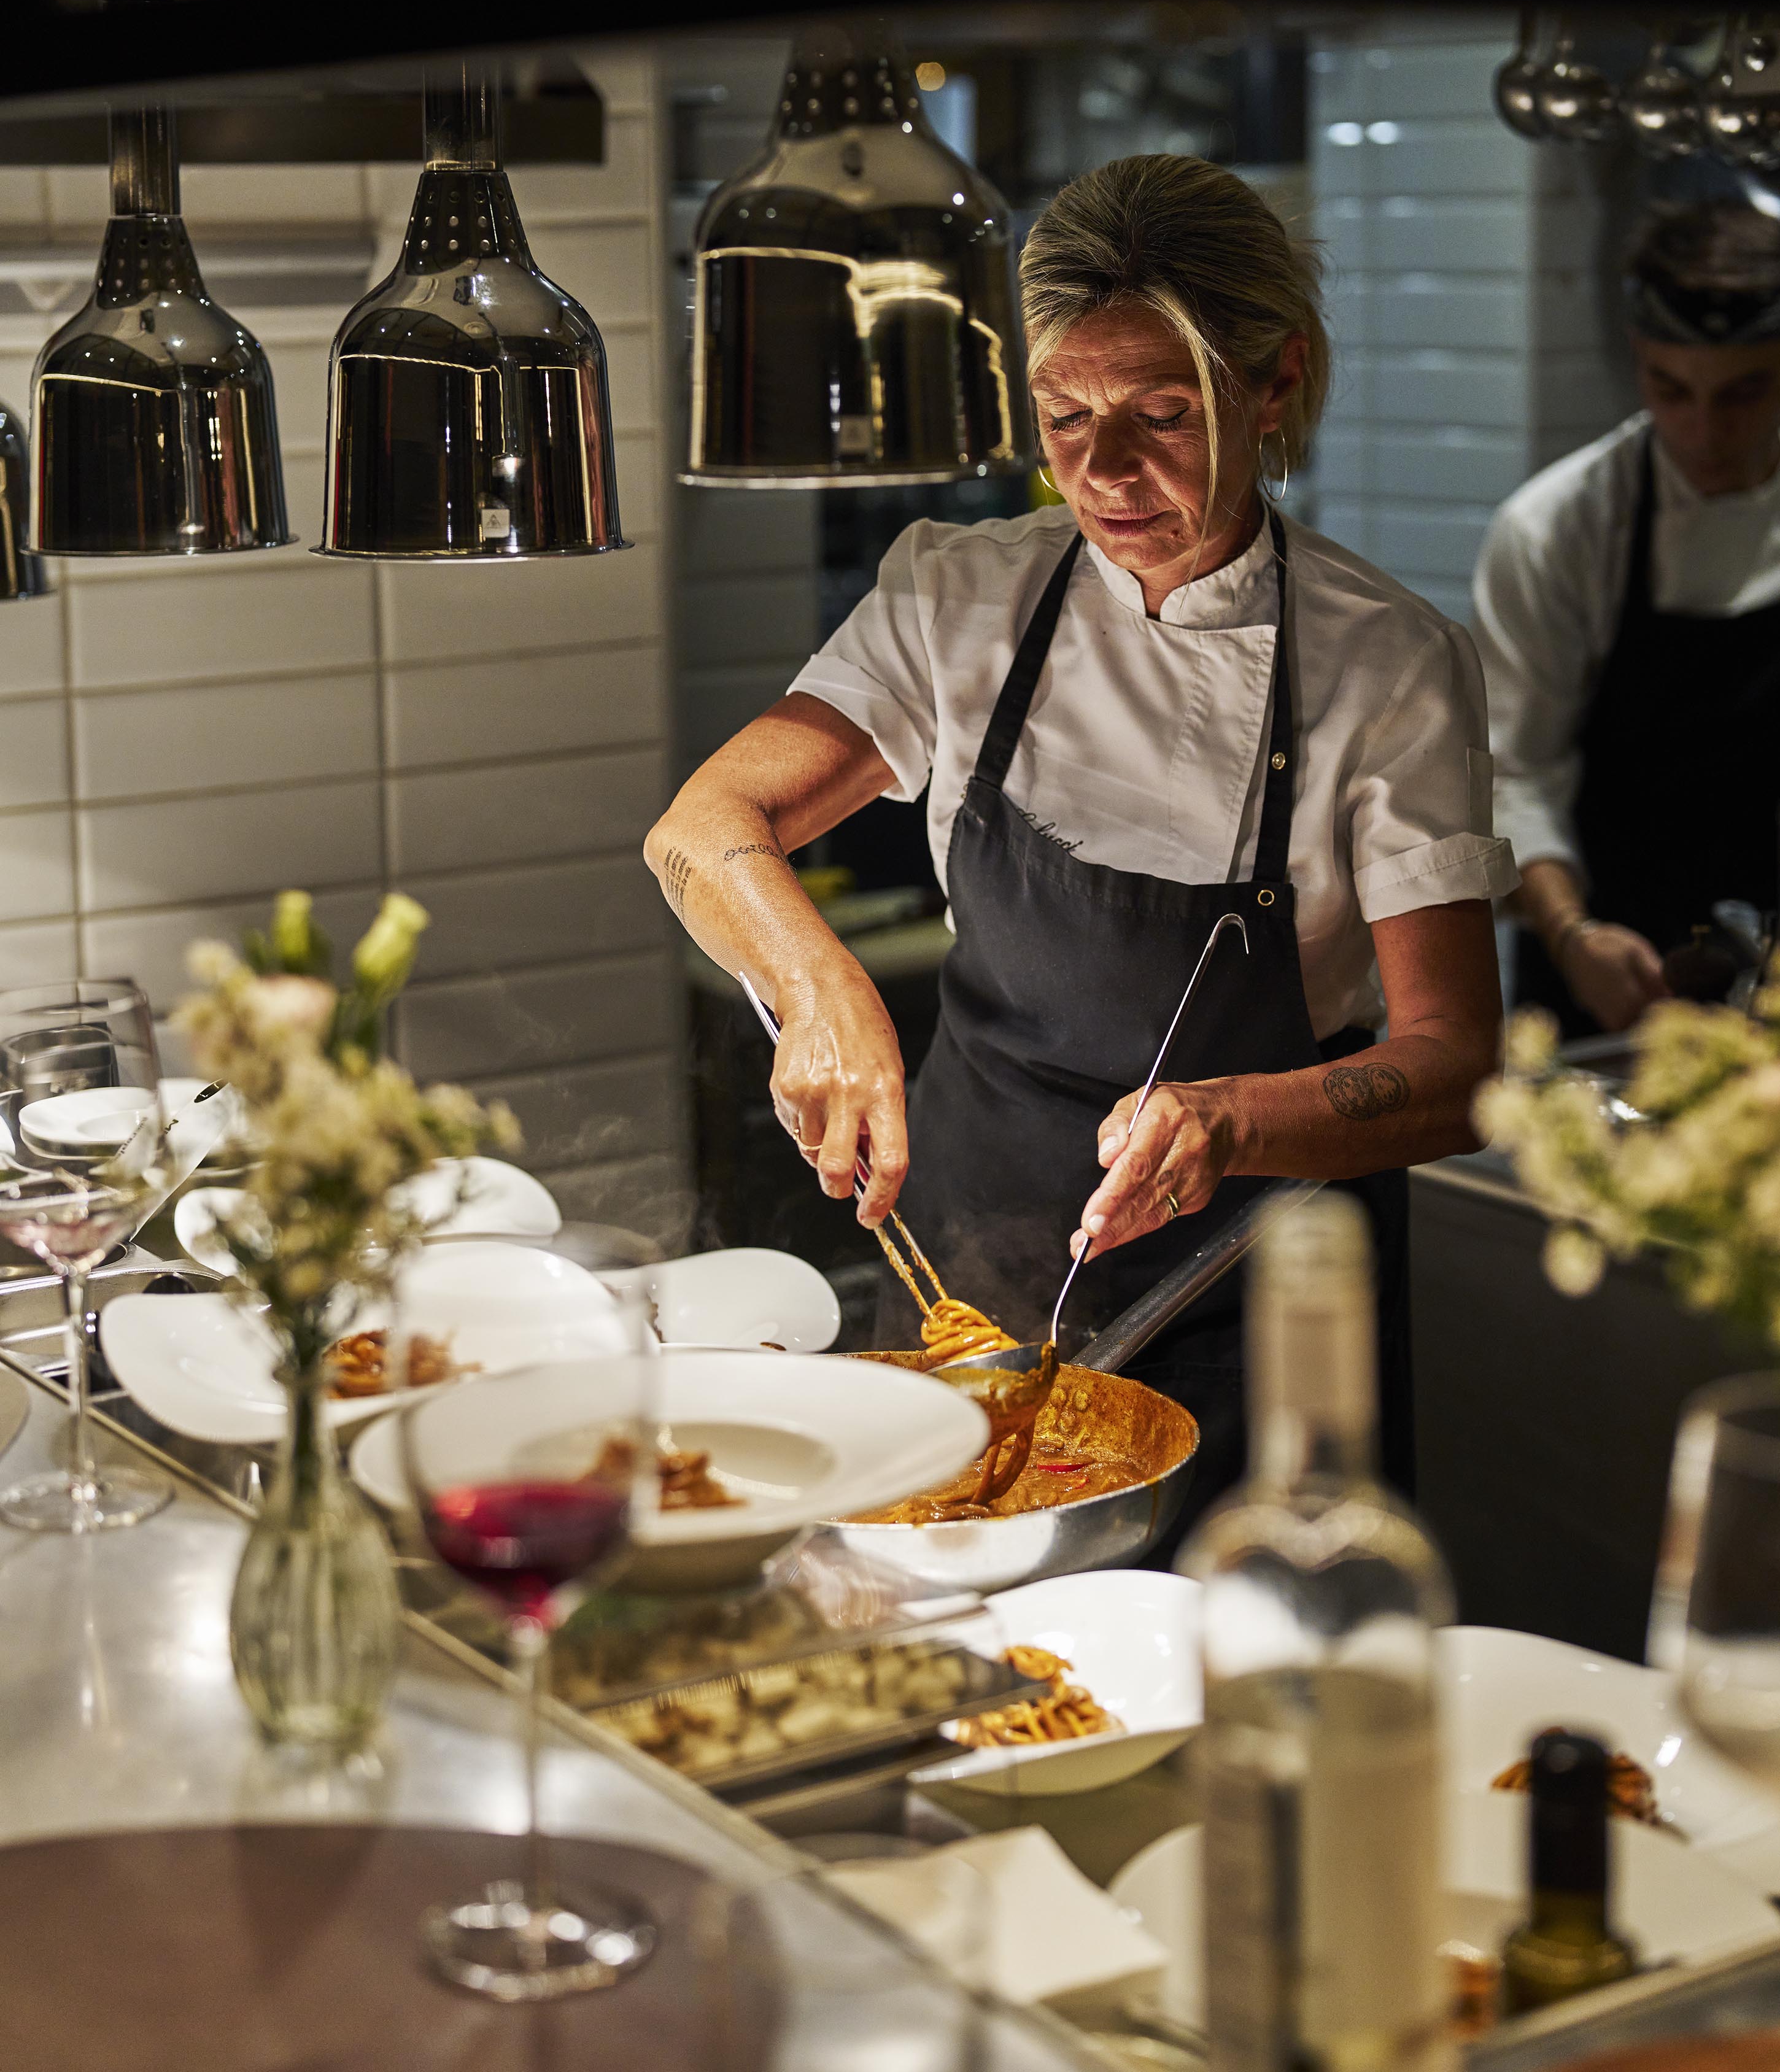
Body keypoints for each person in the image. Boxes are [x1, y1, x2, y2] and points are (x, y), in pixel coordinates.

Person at [646, 155, 1513, 1515]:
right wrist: (818, 988)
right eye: (1063, 415)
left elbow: (1457, 1068)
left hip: (1259, 1294)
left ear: (1274, 382)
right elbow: (705, 825)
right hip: (969, 1265)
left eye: (1161, 413)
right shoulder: (960, 594)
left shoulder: (1387, 661)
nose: (1102, 473)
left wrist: (1227, 1119)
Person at [1473, 199, 1780, 1038]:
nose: (1705, 432)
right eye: (1671, 390)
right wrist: (1572, 936)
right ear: (1637, 363)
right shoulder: (1561, 529)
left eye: (1746, 393)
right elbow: (1514, 771)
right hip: (1608, 986)